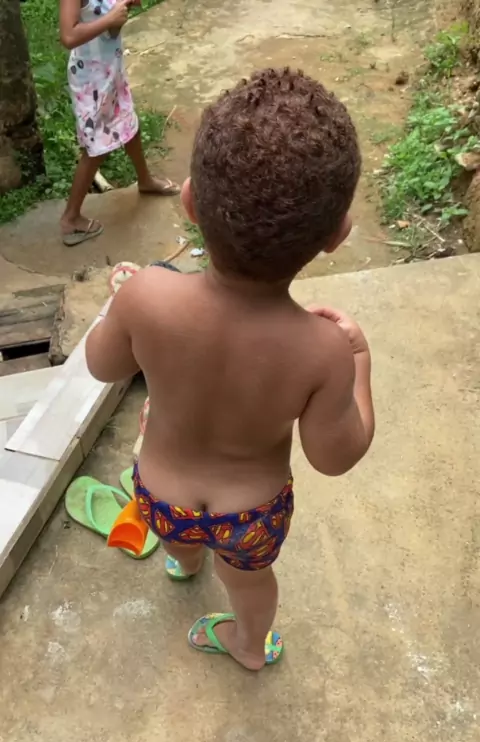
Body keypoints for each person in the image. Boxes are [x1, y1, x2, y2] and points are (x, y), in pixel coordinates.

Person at [85, 68, 375, 671]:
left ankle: (183, 561)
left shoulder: (147, 296)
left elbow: (101, 364)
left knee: (181, 538)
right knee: (248, 581)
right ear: (337, 235)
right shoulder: (322, 350)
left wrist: (123, 306)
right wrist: (359, 363)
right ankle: (248, 646)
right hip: (250, 516)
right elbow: (335, 456)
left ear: (190, 201)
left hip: (161, 496)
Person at [59, 0, 180, 246]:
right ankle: (70, 217)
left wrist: (123, 8)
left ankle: (145, 180)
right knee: (96, 148)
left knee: (129, 123)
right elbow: (68, 36)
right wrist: (110, 18)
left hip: (110, 70)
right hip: (91, 79)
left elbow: (109, 29)